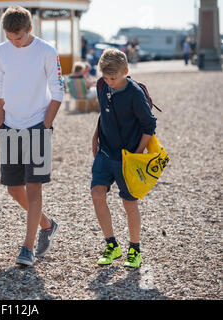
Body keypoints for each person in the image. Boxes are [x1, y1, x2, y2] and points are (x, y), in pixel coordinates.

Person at [0, 6, 64, 266]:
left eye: (19, 37)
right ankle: (47, 224)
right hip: (10, 126)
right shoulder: (0, 52)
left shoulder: (46, 51)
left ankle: (27, 247)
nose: (15, 43)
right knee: (14, 189)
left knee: (34, 188)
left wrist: (45, 126)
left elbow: (58, 91)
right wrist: (0, 124)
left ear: (29, 29)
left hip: (37, 126)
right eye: (10, 38)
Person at [91, 48, 157, 268]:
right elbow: (103, 112)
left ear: (126, 71)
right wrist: (95, 138)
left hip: (127, 157)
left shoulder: (135, 94)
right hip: (105, 152)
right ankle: (112, 245)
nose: (109, 82)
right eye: (105, 77)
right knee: (97, 193)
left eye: (114, 78)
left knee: (129, 202)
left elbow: (149, 126)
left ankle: (134, 249)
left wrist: (136, 156)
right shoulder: (102, 85)